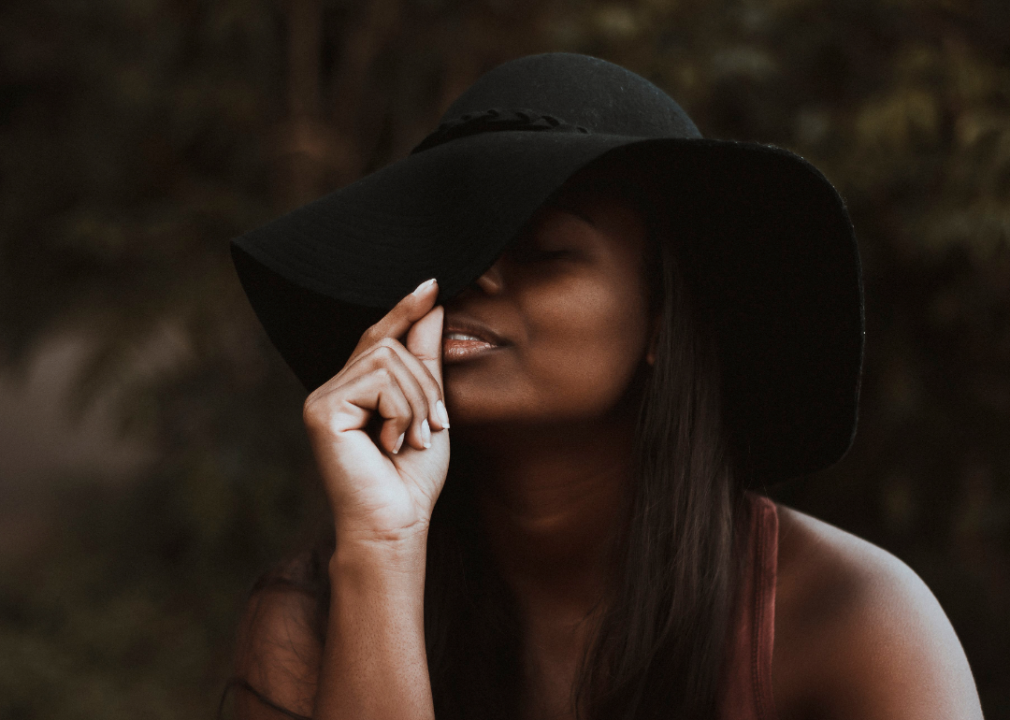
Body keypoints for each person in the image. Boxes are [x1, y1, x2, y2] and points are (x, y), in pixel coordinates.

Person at [223, 53, 983, 720]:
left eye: (541, 248)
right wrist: (384, 551)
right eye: (453, 245)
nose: (475, 275)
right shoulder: (317, 619)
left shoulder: (853, 622)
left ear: (661, 322)